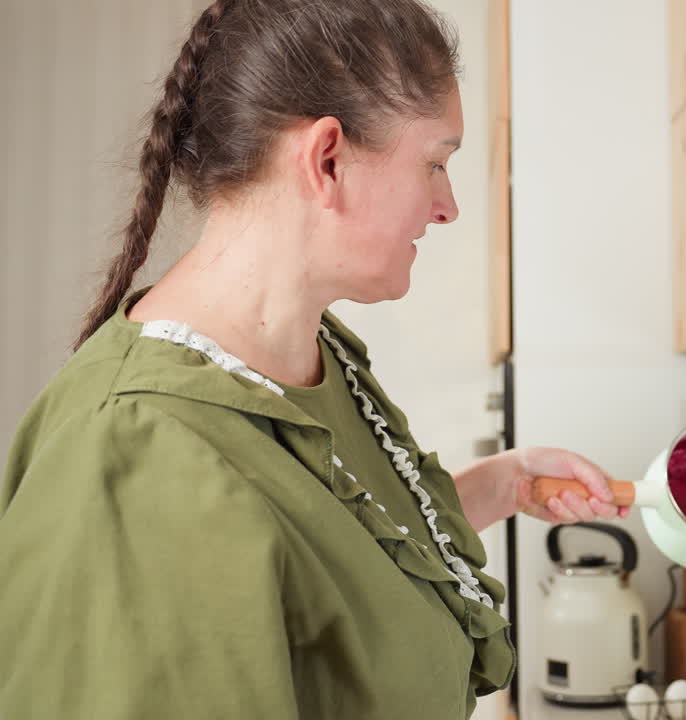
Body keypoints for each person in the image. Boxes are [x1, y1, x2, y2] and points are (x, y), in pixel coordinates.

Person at [0, 1, 625, 718]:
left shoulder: (313, 358)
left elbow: (334, 552)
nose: (447, 205)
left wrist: (506, 484)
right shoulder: (134, 458)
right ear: (326, 159)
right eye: (435, 163)